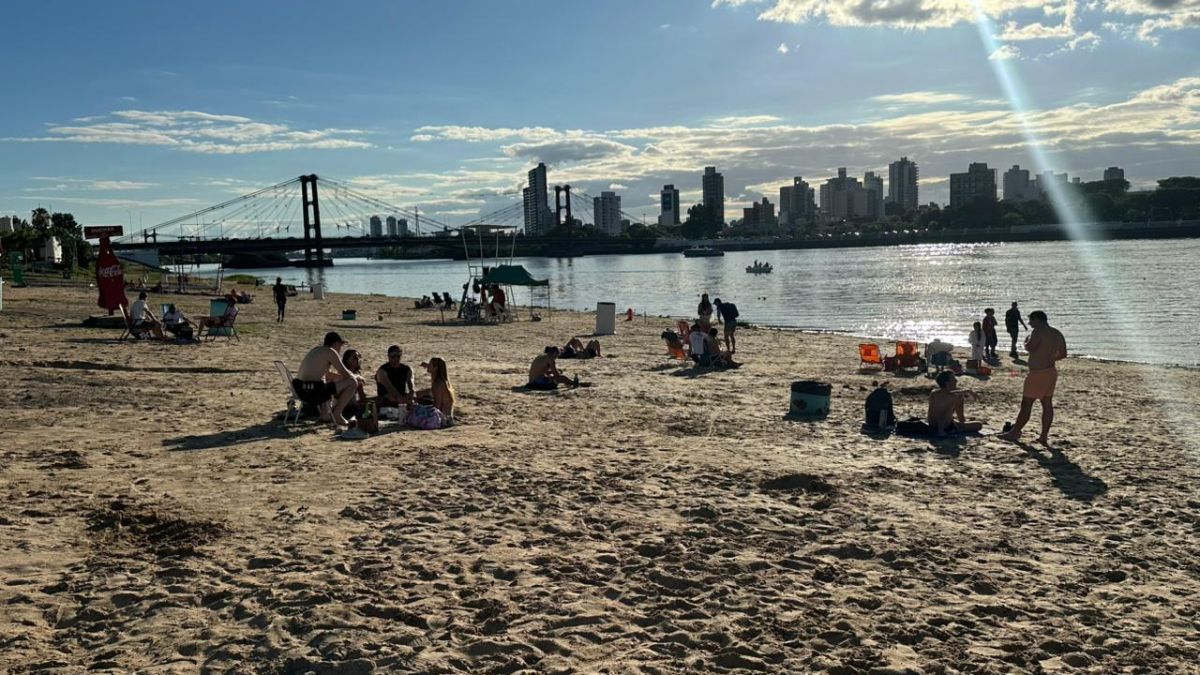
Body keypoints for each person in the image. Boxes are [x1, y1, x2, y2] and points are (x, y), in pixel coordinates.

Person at [999, 310, 1067, 445]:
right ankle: (1043, 436)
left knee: (1027, 404)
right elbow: (1063, 353)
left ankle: (1014, 432)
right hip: (1050, 371)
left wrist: (1026, 342)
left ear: (1038, 319)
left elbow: (1031, 347)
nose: (1029, 323)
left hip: (1038, 374)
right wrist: (1049, 357)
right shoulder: (1056, 333)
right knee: (1047, 403)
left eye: (1031, 320)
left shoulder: (1038, 331)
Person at [294, 332, 360, 428]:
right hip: (312, 392)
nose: (340, 349)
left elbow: (328, 375)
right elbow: (346, 374)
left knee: (327, 383)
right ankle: (337, 414)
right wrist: (357, 377)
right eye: (340, 345)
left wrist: (341, 378)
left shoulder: (316, 350)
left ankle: (325, 414)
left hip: (300, 388)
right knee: (353, 383)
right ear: (336, 343)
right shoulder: (330, 352)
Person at [927, 371, 984, 435]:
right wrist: (941, 431)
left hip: (942, 424)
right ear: (947, 383)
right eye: (953, 379)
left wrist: (968, 391)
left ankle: (962, 423)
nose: (956, 381)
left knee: (978, 425)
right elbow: (943, 413)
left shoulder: (936, 393)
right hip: (940, 426)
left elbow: (950, 393)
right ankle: (946, 429)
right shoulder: (947, 395)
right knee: (954, 399)